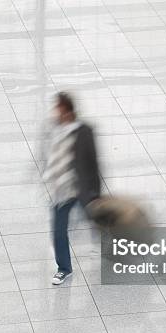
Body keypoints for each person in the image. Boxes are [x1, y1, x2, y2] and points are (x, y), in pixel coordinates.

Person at [43, 92, 101, 285]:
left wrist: (95, 192)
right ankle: (64, 268)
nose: (55, 111)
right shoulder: (54, 130)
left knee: (96, 221)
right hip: (60, 191)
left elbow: (93, 162)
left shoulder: (83, 131)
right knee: (59, 231)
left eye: (58, 107)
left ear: (66, 109)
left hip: (80, 189)